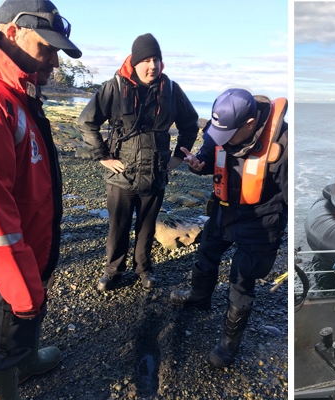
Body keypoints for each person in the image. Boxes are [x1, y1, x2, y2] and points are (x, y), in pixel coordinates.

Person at [0, 0, 81, 396]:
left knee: (22, 324)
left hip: (28, 247)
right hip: (2, 270)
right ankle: (4, 381)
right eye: (48, 49)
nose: (55, 64)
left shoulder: (16, 91)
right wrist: (23, 286)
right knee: (0, 341)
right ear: (13, 33)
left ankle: (26, 359)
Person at [169, 88, 288, 368]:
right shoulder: (222, 128)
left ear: (249, 124)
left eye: (228, 134)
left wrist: (276, 239)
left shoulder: (283, 144)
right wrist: (199, 165)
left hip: (260, 220)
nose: (220, 138)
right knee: (206, 253)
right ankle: (199, 298)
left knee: (241, 278)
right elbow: (210, 156)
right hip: (224, 211)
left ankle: (229, 343)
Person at [78, 33, 199, 291]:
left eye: (156, 59)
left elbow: (190, 124)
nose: (152, 65)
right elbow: (86, 122)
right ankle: (112, 271)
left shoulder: (171, 89)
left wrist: (179, 156)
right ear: (134, 62)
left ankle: (144, 270)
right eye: (146, 59)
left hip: (155, 174)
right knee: (118, 228)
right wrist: (103, 157)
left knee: (146, 229)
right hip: (121, 176)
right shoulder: (115, 87)